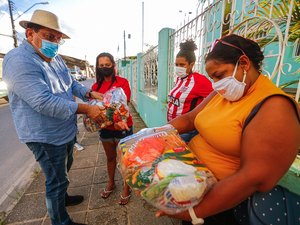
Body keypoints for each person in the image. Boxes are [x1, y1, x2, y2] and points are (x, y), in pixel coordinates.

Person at [156, 34, 300, 225]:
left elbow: (255, 177)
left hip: (218, 204)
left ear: (244, 63)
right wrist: (157, 133)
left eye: (219, 75)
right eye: (212, 78)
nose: (216, 84)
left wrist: (193, 212)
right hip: (190, 185)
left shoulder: (274, 106)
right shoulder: (225, 90)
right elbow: (191, 118)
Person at [3, 10, 104, 225]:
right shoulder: (18, 61)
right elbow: (43, 102)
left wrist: (88, 93)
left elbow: (71, 83)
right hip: (45, 136)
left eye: (58, 39)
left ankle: (63, 199)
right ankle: (60, 220)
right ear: (30, 34)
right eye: (49, 37)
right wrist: (86, 109)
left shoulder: (55, 58)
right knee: (56, 179)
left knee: (64, 169)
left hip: (64, 130)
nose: (55, 43)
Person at [91, 52, 133, 205]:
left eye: (107, 65)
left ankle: (126, 187)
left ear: (113, 66)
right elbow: (94, 109)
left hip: (123, 127)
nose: (104, 68)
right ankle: (111, 183)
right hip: (106, 129)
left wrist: (107, 112)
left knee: (125, 160)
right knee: (110, 158)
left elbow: (124, 105)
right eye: (101, 66)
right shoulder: (96, 87)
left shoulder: (123, 82)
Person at [167, 39, 213, 143]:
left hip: (187, 132)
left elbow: (216, 98)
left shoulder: (199, 81)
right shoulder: (179, 79)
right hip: (173, 127)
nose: (178, 68)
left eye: (182, 65)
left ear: (191, 65)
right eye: (176, 64)